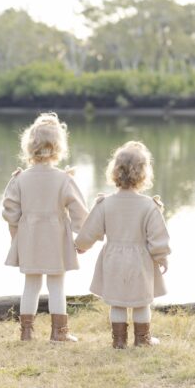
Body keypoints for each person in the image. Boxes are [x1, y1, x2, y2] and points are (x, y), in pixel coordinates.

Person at [2, 112, 89, 342]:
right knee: (56, 285)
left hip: (29, 237)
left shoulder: (20, 178)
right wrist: (83, 241)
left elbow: (10, 210)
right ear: (59, 147)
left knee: (31, 284)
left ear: (29, 147)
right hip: (56, 238)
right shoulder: (64, 179)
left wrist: (15, 236)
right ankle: (58, 332)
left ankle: (27, 332)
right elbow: (80, 212)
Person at [75, 141, 170, 349]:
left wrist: (82, 245)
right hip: (140, 259)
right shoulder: (148, 206)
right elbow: (157, 236)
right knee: (141, 302)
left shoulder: (106, 203)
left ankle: (118, 341)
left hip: (113, 259)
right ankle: (142, 339)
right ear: (144, 174)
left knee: (117, 301)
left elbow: (91, 229)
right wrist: (161, 256)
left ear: (115, 171)